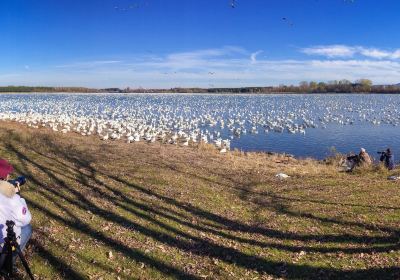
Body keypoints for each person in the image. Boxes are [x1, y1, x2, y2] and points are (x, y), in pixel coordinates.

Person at [0, 159, 32, 253]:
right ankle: (8, 263)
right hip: (3, 244)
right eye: (8, 174)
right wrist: (18, 196)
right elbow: (25, 219)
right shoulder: (11, 197)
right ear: (4, 177)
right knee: (28, 228)